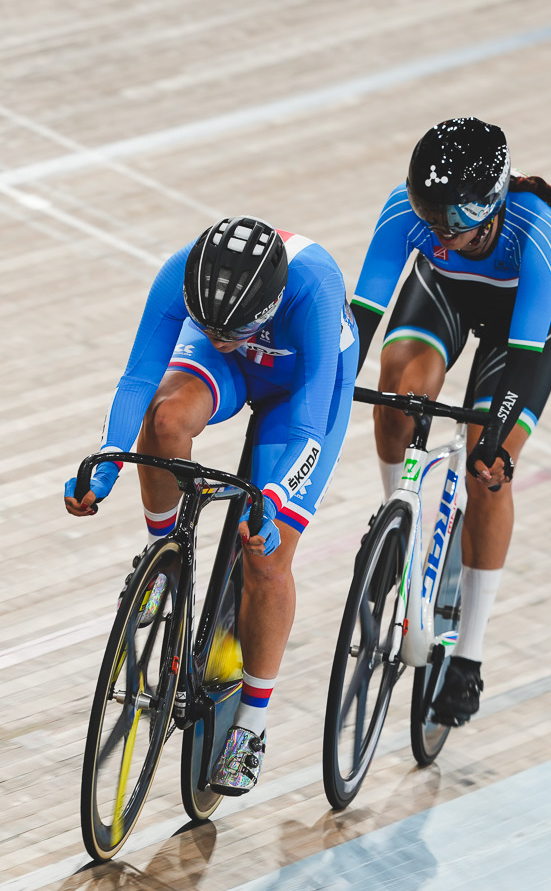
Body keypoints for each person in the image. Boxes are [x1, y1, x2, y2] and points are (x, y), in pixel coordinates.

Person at [67, 217, 356, 795]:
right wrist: (107, 462)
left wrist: (274, 497)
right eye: (209, 326)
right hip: (244, 369)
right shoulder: (183, 273)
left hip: (301, 390)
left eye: (235, 328)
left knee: (266, 560)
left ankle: (251, 723)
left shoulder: (314, 288)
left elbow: (310, 429)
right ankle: (163, 555)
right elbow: (137, 381)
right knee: (167, 420)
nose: (222, 337)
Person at [348, 118, 551, 726]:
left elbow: (526, 359)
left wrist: (496, 442)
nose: (442, 235)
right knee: (398, 388)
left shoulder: (535, 228)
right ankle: (395, 526)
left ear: (492, 202)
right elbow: (362, 316)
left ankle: (469, 654)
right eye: (432, 222)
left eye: (455, 224)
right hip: (444, 295)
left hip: (518, 328)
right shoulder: (409, 215)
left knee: (487, 467)